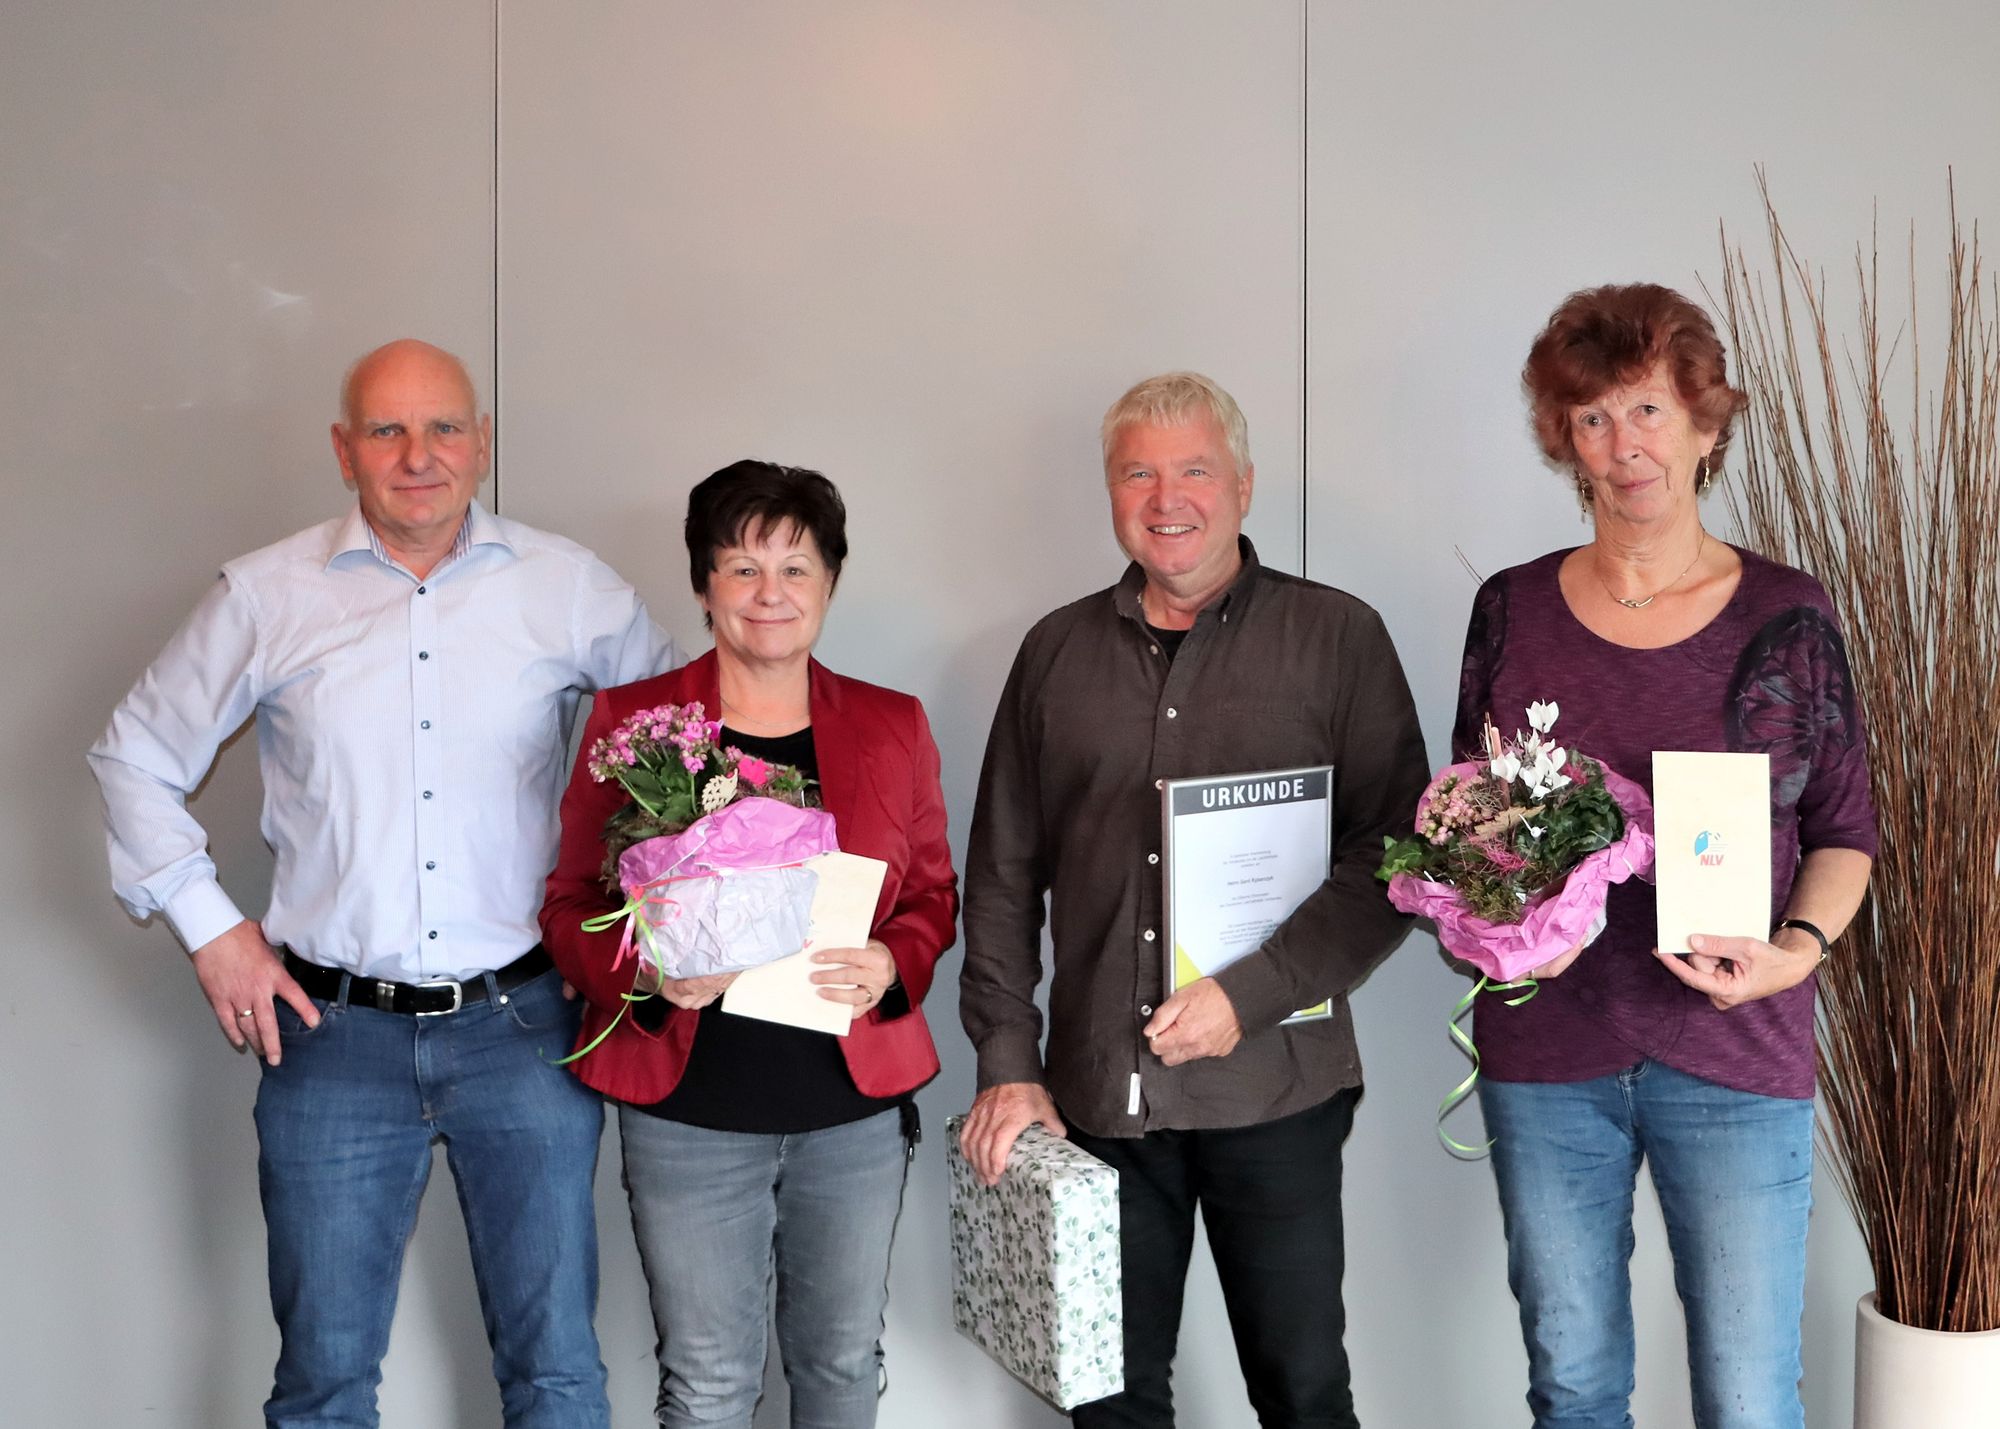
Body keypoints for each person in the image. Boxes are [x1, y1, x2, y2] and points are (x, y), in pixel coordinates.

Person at [88, 339, 680, 1429]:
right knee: (322, 1385)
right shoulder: (266, 595)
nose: (419, 454)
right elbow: (133, 757)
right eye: (387, 429)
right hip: (331, 1039)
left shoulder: (566, 586)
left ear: (482, 442)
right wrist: (213, 929)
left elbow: (679, 751)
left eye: (444, 426)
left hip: (524, 1027)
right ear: (343, 449)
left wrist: (627, 928)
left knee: (556, 1372)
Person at [957, 372, 1429, 1428]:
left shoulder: (1337, 637)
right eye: (1138, 473)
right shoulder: (1054, 654)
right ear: (1111, 493)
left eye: (1195, 471)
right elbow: (999, 875)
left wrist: (1247, 993)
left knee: (1304, 1395)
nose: (1166, 498)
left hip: (1276, 1089)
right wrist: (1009, 1062)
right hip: (1098, 1102)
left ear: (1244, 486)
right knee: (1110, 1404)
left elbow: (1394, 857)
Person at [1456, 283, 1878, 1429]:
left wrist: (1794, 950)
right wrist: (1495, 914)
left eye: (1645, 409)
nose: (1621, 445)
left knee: (1747, 1400)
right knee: (1572, 1390)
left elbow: (1845, 831)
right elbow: (1470, 823)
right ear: (1562, 440)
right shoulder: (1510, 611)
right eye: (1591, 418)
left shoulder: (1785, 614)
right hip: (1547, 1055)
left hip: (1734, 1052)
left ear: (1701, 424)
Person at [541, 459, 957, 1429]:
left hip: (848, 1115)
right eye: (742, 568)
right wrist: (647, 973)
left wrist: (893, 961)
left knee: (842, 1365)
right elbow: (567, 905)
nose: (770, 593)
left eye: (795, 568)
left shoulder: (892, 724)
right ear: (704, 585)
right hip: (689, 1112)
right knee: (707, 1383)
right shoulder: (634, 723)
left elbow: (933, 894)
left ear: (829, 584)